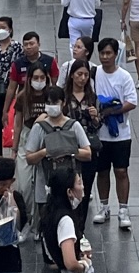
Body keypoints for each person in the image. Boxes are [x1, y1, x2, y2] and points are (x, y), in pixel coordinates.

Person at [21, 77, 93, 215]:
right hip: (45, 185)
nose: (51, 106)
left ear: (63, 103)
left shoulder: (74, 126)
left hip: (71, 186)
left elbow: (88, 153)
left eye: (55, 102)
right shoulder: (39, 128)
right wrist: (44, 152)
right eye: (48, 103)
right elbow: (29, 158)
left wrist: (68, 150)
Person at [90, 37, 138, 231]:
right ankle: (104, 206)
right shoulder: (95, 74)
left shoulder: (124, 77)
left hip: (121, 135)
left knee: (121, 171)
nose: (105, 57)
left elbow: (132, 102)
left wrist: (112, 110)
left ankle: (123, 209)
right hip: (99, 134)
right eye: (102, 53)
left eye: (109, 53)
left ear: (116, 54)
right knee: (102, 172)